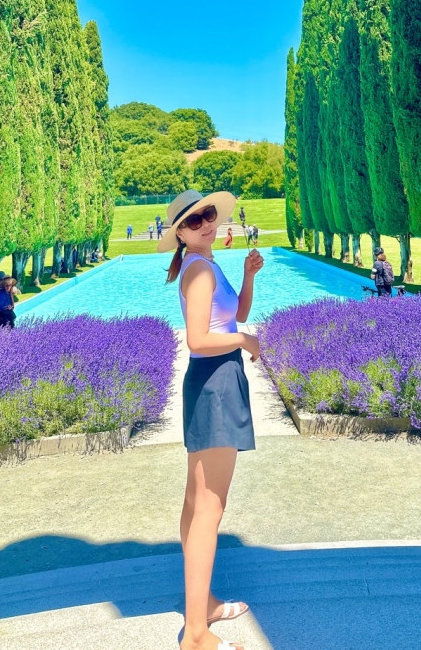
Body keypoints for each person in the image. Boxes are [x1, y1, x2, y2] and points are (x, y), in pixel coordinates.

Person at [158, 189, 263, 650]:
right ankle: (197, 636)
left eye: (209, 214)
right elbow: (199, 340)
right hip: (216, 382)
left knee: (195, 504)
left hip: (212, 382)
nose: (205, 223)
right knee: (209, 508)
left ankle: (202, 608)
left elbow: (236, 313)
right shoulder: (198, 270)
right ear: (180, 232)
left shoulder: (205, 264)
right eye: (194, 219)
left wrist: (247, 276)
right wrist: (244, 341)